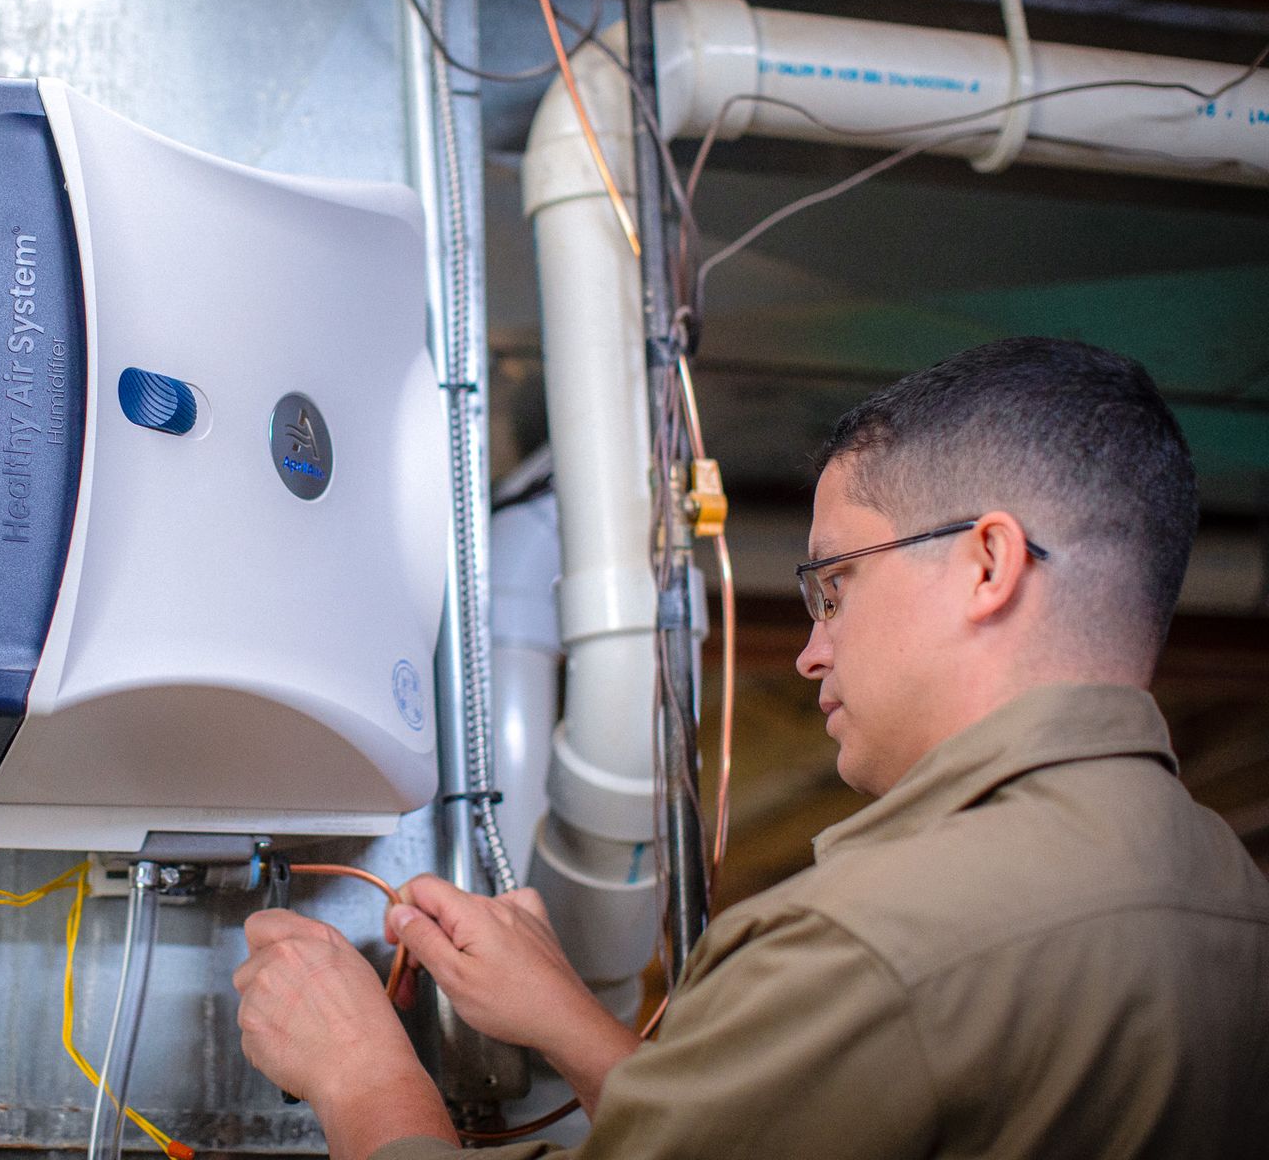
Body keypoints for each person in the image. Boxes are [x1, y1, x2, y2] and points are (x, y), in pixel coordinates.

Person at [233, 337, 1269, 1160]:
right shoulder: (1227, 892)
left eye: (835, 585)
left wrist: (364, 1076)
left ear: (988, 561)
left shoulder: (871, 940)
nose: (811, 651)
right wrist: (569, 1020)